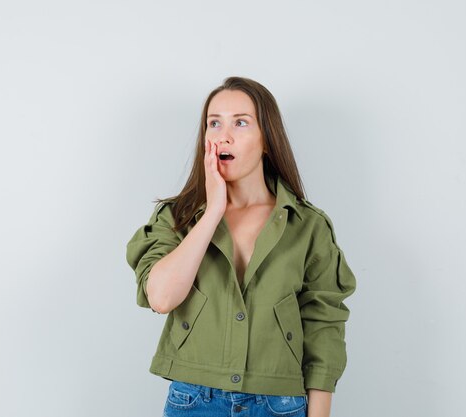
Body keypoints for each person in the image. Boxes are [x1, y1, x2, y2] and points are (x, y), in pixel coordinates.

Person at [125, 76, 356, 417]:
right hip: (194, 401)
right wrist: (212, 212)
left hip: (279, 404)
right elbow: (161, 298)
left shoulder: (308, 226)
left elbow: (324, 324)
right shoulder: (177, 218)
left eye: (241, 123)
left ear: (267, 140)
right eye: (214, 123)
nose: (223, 136)